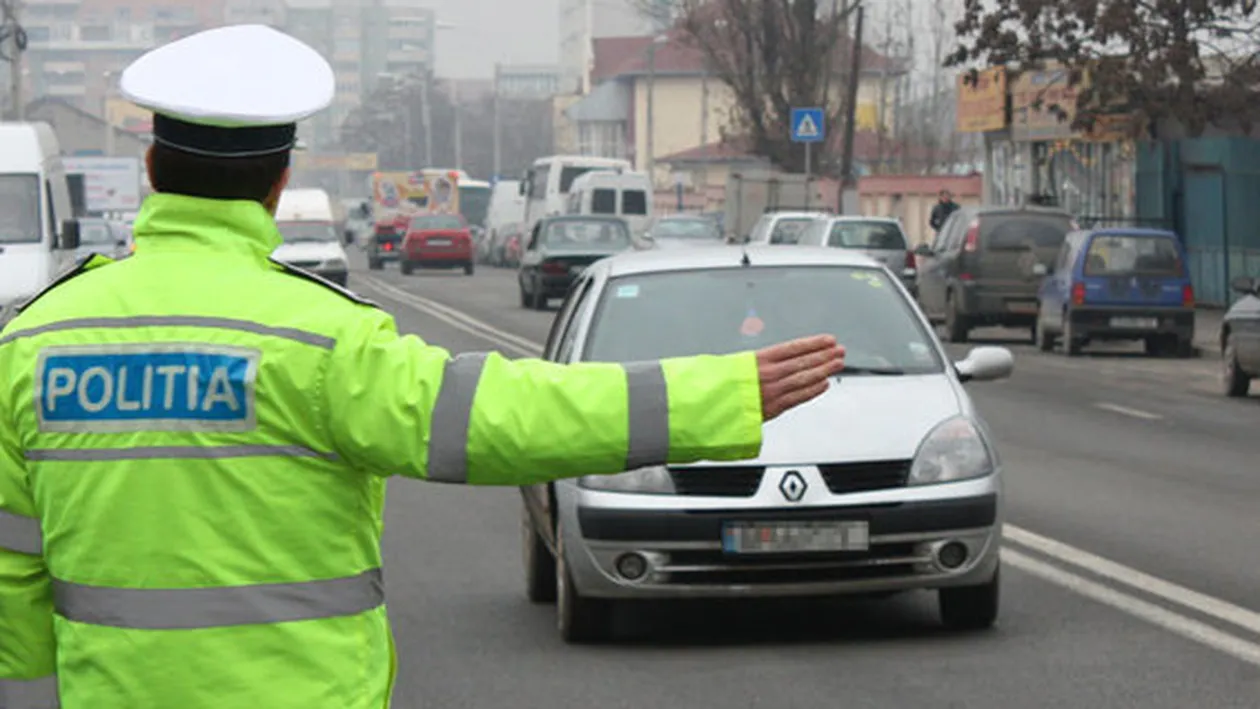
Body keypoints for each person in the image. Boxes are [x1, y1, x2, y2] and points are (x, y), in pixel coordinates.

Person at [0, 24, 845, 709]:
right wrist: (717, 393)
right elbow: (505, 417)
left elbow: (13, 573)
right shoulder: (323, 340)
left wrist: (47, 648)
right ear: (278, 182)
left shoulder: (29, 346)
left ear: (152, 169)